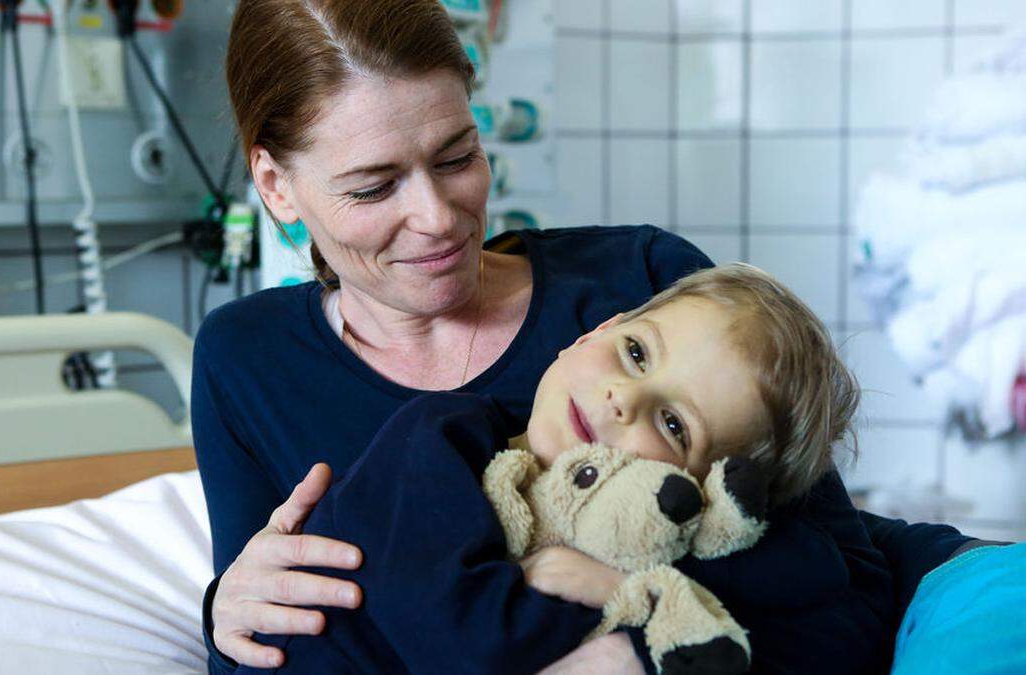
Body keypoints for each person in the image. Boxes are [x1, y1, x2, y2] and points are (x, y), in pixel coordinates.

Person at [194, 0, 983, 672]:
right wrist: (222, 606)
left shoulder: (636, 284)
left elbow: (844, 593)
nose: (437, 217)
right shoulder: (246, 360)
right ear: (276, 184)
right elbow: (263, 627)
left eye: (457, 155)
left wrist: (622, 622)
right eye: (373, 186)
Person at [227, 263, 895, 674]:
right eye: (635, 352)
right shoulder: (433, 447)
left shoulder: (646, 538)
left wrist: (618, 581)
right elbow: (472, 652)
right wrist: (614, 601)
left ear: (709, 495)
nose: (622, 398)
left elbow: (816, 572)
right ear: (591, 333)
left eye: (672, 425)